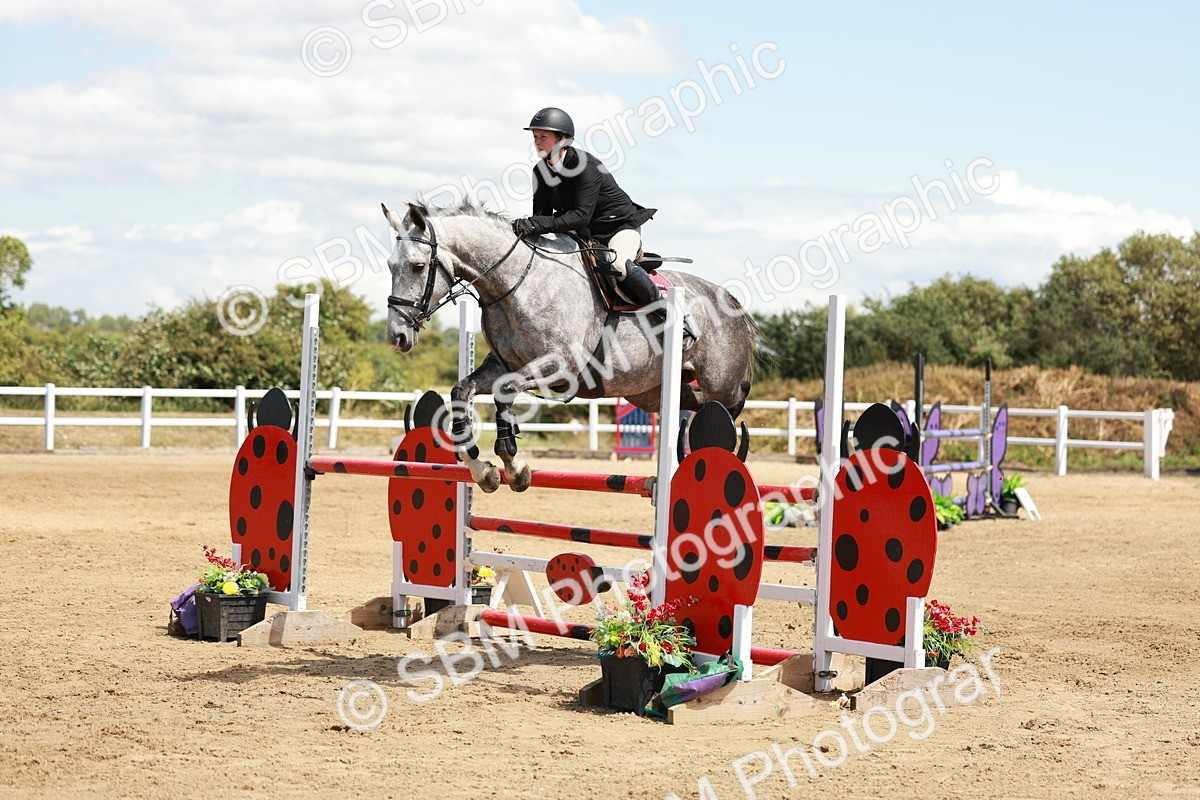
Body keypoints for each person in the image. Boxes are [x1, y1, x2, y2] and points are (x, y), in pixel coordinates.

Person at [511, 106, 667, 322]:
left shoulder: (585, 166)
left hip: (618, 227)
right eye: (535, 136)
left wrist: (537, 224)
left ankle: (667, 312)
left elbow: (580, 215)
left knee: (619, 265)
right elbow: (542, 216)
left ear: (563, 140)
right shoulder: (540, 171)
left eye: (543, 137)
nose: (537, 142)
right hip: (585, 232)